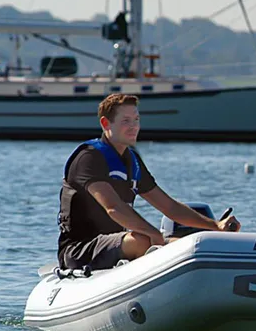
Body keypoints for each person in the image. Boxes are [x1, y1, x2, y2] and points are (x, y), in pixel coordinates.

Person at [57, 93, 240, 270]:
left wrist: (215, 226)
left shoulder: (132, 160)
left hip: (117, 241)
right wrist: (153, 234)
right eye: (126, 121)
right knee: (144, 240)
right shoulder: (88, 158)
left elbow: (169, 207)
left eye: (136, 120)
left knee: (186, 245)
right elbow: (113, 207)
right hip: (80, 249)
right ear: (106, 123)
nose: (134, 126)